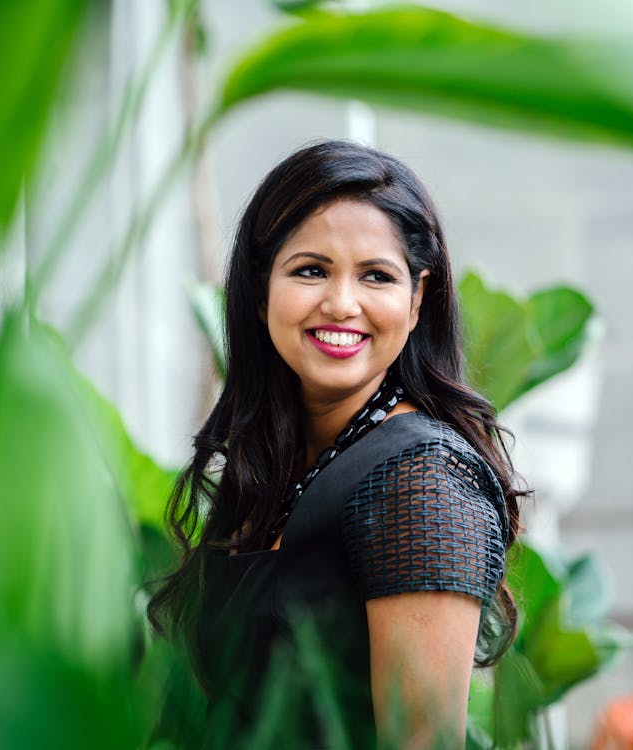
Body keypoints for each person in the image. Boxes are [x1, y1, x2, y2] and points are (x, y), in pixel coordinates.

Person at [147, 140, 525, 749]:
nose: (342, 303)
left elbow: (421, 743)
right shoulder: (279, 464)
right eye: (311, 270)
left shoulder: (420, 482)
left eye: (376, 276)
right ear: (262, 283)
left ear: (417, 297)